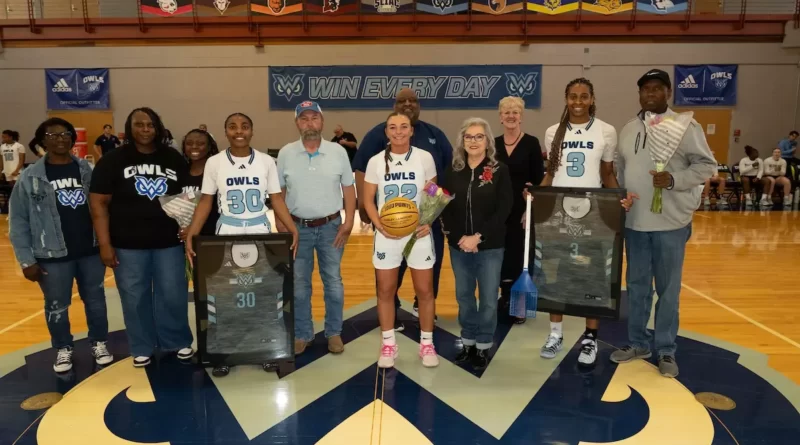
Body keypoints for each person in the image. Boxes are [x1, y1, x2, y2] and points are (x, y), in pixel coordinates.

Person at [611, 69, 716, 378]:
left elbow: (707, 166)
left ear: (668, 93)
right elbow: (620, 168)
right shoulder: (629, 129)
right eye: (645, 89)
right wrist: (622, 195)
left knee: (668, 290)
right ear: (640, 94)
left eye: (657, 88)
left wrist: (673, 180)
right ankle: (638, 343)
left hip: (671, 223)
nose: (650, 94)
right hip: (636, 224)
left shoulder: (685, 126)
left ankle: (666, 349)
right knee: (638, 287)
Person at [185, 112, 298, 377]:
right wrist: (193, 231)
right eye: (233, 127)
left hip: (259, 231)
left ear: (252, 131)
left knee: (262, 296)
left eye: (245, 126)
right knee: (226, 298)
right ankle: (224, 352)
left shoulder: (266, 161)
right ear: (225, 132)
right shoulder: (214, 163)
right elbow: (206, 201)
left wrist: (291, 227)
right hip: (227, 232)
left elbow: (276, 198)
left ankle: (265, 351)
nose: (239, 131)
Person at [536, 78, 634, 367]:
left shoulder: (606, 131)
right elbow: (550, 174)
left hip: (593, 213)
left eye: (584, 96)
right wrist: (534, 204)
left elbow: (607, 173)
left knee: (592, 276)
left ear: (592, 99)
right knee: (556, 275)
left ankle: (590, 337)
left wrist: (620, 200)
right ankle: (555, 334)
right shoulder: (553, 132)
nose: (578, 101)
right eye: (572, 96)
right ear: (565, 99)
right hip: (559, 214)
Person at [89, 107, 195, 368]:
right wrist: (105, 243)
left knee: (173, 294)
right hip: (127, 244)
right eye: (139, 125)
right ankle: (142, 346)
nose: (145, 130)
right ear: (129, 128)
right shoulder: (113, 160)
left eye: (150, 125)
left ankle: (177, 340)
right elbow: (98, 203)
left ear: (158, 128)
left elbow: (188, 197)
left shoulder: (173, 158)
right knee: (134, 298)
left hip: (168, 243)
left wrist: (187, 226)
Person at [9, 118, 113, 373]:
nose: (61, 139)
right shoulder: (30, 177)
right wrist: (26, 260)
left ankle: (99, 342)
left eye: (66, 134)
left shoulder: (87, 170)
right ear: (42, 140)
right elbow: (19, 220)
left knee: (97, 301)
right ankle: (63, 348)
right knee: (57, 305)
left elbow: (104, 207)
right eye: (53, 135)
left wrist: (106, 243)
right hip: (51, 255)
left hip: (89, 251)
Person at [353, 88, 453, 330]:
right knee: (390, 274)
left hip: (423, 222)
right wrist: (364, 208)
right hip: (390, 222)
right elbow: (361, 171)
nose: (408, 104)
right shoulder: (377, 135)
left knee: (430, 268)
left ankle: (423, 305)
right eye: (402, 101)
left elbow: (444, 176)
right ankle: (392, 308)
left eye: (413, 100)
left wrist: (433, 212)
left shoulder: (434, 135)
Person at [276, 102, 355, 356]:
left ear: (322, 121)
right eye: (304, 119)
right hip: (298, 229)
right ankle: (302, 333)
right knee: (299, 285)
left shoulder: (338, 152)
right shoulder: (286, 153)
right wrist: (282, 224)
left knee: (333, 283)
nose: (309, 123)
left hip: (331, 227)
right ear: (297, 123)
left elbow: (349, 189)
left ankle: (334, 332)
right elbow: (279, 192)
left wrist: (349, 220)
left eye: (314, 118)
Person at [362, 112, 439, 369]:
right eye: (392, 127)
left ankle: (427, 343)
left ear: (411, 130)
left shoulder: (424, 157)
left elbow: (432, 190)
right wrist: (377, 223)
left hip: (417, 233)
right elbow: (368, 198)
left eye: (403, 127)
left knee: (425, 291)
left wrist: (428, 218)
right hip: (387, 234)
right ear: (386, 132)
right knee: (385, 291)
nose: (398, 131)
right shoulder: (375, 162)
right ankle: (388, 344)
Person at [441, 117, 512, 370]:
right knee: (464, 296)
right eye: (468, 137)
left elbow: (504, 209)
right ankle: (468, 341)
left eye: (479, 136)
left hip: (490, 247)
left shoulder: (498, 171)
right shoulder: (453, 172)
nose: (473, 141)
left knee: (489, 299)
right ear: (462, 141)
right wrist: (459, 237)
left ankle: (483, 345)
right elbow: (444, 206)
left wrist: (478, 237)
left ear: (487, 141)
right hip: (460, 247)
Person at [494, 96, 545, 325]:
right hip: (498, 212)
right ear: (500, 117)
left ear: (521, 116)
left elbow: (538, 180)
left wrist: (530, 202)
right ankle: (504, 298)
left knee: (521, 258)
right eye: (507, 112)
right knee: (500, 256)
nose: (511, 116)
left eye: (515, 112)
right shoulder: (492, 144)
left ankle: (520, 304)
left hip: (523, 212)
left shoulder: (532, 143)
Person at [181, 129, 219, 236]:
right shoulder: (180, 172)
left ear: (209, 147)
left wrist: (193, 228)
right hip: (186, 235)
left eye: (200, 143)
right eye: (189, 143)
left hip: (211, 234)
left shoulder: (216, 173)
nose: (194, 147)